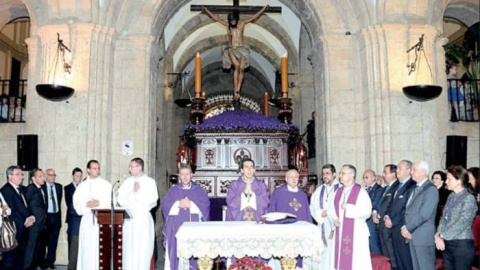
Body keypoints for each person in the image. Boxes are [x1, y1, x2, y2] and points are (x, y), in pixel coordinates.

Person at [203, 5, 269, 105]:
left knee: (242, 68)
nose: (232, 23)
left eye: (233, 21)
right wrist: (207, 11)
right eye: (230, 22)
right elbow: (216, 18)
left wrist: (263, 9)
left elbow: (253, 17)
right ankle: (235, 90)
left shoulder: (242, 24)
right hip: (232, 49)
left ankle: (238, 89)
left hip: (242, 49)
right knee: (237, 66)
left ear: (236, 20)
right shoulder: (227, 25)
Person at [161, 165, 210, 270]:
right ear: (179, 175)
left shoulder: (199, 191)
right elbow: (165, 205)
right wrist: (178, 204)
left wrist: (191, 204)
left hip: (194, 229)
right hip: (176, 228)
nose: (185, 177)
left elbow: (206, 206)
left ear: (191, 175)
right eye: (182, 174)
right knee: (176, 253)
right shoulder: (173, 191)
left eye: (187, 174)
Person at [117, 157, 159, 270]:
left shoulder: (150, 182)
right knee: (129, 249)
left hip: (143, 219)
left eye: (132, 167)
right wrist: (133, 193)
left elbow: (152, 200)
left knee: (143, 249)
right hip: (129, 220)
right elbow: (121, 200)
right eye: (130, 167)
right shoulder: (127, 182)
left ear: (139, 167)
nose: (130, 170)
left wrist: (134, 197)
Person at [435, 166, 477, 270]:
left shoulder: (469, 199)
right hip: (448, 244)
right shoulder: (451, 196)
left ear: (459, 181)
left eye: (449, 179)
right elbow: (443, 218)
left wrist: (442, 235)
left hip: (461, 244)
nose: (446, 181)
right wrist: (438, 234)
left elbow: (462, 223)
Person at [330, 164, 372, 270]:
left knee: (356, 262)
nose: (340, 175)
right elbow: (331, 209)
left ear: (351, 175)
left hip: (356, 233)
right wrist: (334, 219)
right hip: (340, 232)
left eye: (343, 173)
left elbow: (367, 211)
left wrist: (348, 207)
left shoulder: (361, 192)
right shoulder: (338, 192)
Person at [73, 160, 113, 270]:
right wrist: (87, 205)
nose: (97, 170)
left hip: (102, 223)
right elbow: (77, 205)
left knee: (100, 250)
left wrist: (99, 203)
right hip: (87, 222)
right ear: (88, 170)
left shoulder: (106, 185)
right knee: (87, 250)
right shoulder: (82, 186)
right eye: (94, 168)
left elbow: (112, 202)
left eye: (98, 168)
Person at [402, 161, 439, 270]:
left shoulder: (431, 189)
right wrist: (405, 228)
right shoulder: (414, 188)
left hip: (423, 237)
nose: (411, 172)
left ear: (424, 172)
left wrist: (407, 228)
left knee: (425, 267)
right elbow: (408, 211)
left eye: (414, 170)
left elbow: (424, 214)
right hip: (412, 235)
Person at [0, 165, 35, 270]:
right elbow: (10, 213)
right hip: (13, 232)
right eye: (18, 174)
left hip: (22, 231)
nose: (21, 177)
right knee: (9, 262)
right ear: (10, 176)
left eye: (22, 174)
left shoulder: (20, 189)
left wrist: (31, 217)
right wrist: (25, 220)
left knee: (19, 261)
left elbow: (26, 207)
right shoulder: (6, 191)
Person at [384, 160, 416, 270]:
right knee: (398, 261)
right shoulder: (397, 185)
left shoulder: (412, 185)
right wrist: (387, 216)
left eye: (400, 168)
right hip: (394, 229)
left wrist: (394, 221)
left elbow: (407, 208)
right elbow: (391, 204)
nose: (397, 171)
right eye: (397, 168)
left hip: (403, 227)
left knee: (406, 261)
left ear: (408, 170)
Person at [310, 164, 341, 270]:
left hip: (335, 226)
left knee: (334, 250)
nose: (325, 176)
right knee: (323, 250)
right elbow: (313, 206)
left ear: (334, 174)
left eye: (327, 173)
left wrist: (332, 214)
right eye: (323, 174)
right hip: (323, 224)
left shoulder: (341, 189)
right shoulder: (319, 190)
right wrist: (320, 213)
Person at [373, 164, 400, 270]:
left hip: (389, 226)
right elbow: (379, 203)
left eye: (386, 172)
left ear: (394, 174)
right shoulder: (385, 189)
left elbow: (392, 205)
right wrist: (375, 212)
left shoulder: (397, 187)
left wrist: (384, 216)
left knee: (392, 254)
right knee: (385, 254)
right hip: (381, 226)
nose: (383, 175)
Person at [24, 168, 47, 270]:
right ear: (33, 178)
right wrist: (30, 217)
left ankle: (33, 266)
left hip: (41, 224)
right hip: (33, 225)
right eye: (40, 176)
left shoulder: (41, 188)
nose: (43, 178)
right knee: (30, 249)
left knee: (37, 250)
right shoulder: (30, 189)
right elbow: (25, 205)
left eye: (43, 176)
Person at [40, 168, 62, 269]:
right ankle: (43, 262)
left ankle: (51, 261)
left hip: (56, 216)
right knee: (44, 241)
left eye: (54, 175)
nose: (53, 177)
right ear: (46, 176)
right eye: (50, 175)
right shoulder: (42, 187)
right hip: (46, 217)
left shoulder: (58, 187)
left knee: (54, 242)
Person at [64, 168, 83, 270]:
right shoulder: (68, 188)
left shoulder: (84, 187)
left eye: (80, 176)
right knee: (73, 245)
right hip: (74, 220)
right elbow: (71, 205)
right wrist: (83, 210)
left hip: (84, 220)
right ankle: (71, 267)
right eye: (77, 176)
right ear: (73, 176)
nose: (79, 178)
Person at [363, 169, 383, 255]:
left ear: (373, 178)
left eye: (366, 177)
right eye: (363, 178)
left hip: (372, 222)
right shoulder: (366, 190)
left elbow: (373, 204)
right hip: (366, 222)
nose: (364, 180)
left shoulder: (378, 189)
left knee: (374, 246)